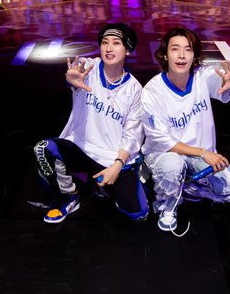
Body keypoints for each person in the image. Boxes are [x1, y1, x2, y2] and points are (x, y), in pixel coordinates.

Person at [33, 23, 149, 224]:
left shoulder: (135, 90)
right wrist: (70, 79)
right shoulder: (89, 68)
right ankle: (67, 197)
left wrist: (117, 165)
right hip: (80, 146)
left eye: (116, 43)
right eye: (104, 42)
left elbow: (133, 135)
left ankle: (103, 185)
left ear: (128, 50)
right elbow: (77, 69)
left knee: (138, 213)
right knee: (43, 149)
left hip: (110, 157)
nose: (109, 48)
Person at [141, 27, 230, 232]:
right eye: (175, 49)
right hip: (166, 153)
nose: (181, 55)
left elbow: (218, 81)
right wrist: (203, 153)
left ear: (194, 56)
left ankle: (186, 185)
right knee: (172, 165)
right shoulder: (152, 91)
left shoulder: (203, 76)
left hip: (199, 156)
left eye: (188, 49)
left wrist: (229, 81)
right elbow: (162, 141)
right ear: (165, 54)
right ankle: (167, 205)